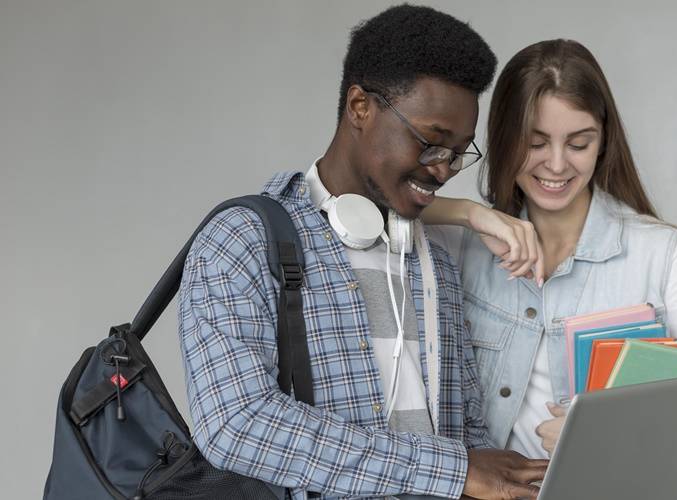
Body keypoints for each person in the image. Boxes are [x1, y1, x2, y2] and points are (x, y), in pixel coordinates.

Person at [177, 6, 547, 500]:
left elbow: (467, 429)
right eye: (431, 143)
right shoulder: (239, 242)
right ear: (360, 107)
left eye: (459, 152)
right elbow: (237, 425)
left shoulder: (433, 259)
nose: (444, 169)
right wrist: (452, 471)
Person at [423, 39, 677, 500]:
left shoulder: (661, 254)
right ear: (503, 139)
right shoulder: (465, 245)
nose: (557, 165)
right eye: (536, 143)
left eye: (578, 143)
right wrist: (468, 211)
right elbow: (362, 207)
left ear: (602, 142)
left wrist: (605, 436)